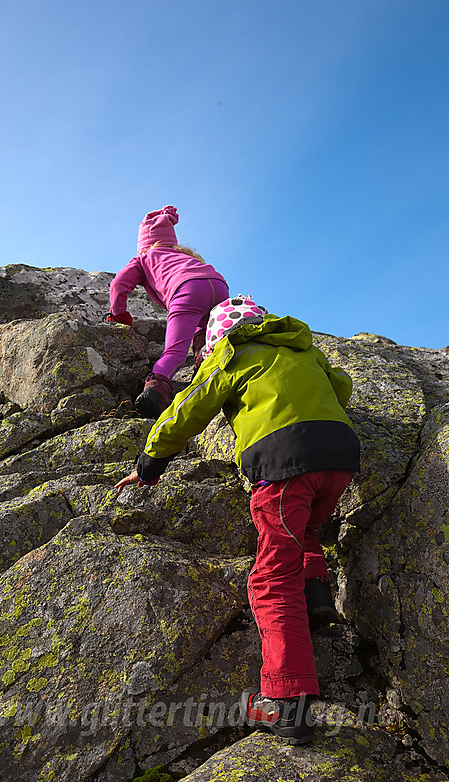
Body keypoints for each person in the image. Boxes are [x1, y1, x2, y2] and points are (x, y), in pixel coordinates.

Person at [114, 295, 360, 744]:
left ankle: (288, 703)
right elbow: (342, 387)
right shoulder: (302, 348)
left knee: (270, 579)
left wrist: (149, 463)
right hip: (341, 456)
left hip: (283, 461)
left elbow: (186, 411)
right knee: (304, 527)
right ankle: (316, 589)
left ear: (213, 339)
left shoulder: (229, 353)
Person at [107, 205, 229, 418]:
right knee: (206, 326)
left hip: (187, 290)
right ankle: (204, 358)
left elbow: (118, 284)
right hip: (219, 285)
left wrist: (119, 316)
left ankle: (156, 391)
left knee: (174, 352)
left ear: (142, 244)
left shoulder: (144, 259)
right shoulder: (184, 254)